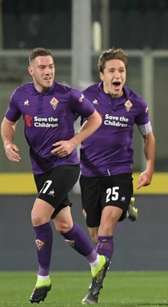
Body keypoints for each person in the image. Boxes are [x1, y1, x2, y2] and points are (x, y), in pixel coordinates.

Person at [1, 48, 108, 304]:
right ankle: (97, 261)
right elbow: (8, 123)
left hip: (65, 166)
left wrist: (74, 142)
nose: (48, 71)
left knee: (38, 215)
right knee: (64, 226)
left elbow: (95, 118)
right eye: (42, 67)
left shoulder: (68, 95)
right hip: (41, 169)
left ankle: (43, 277)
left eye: (51, 66)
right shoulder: (20, 95)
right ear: (31, 70)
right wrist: (7, 143)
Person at [78, 48, 156, 304]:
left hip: (120, 173)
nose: (117, 75)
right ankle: (125, 209)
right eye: (111, 70)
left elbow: (148, 136)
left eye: (121, 70)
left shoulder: (137, 103)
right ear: (101, 75)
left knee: (107, 225)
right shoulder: (86, 98)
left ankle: (95, 288)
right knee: (93, 234)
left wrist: (149, 167)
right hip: (90, 175)